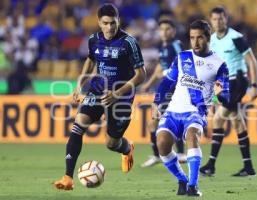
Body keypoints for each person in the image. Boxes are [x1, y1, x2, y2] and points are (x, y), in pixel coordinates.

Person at [54, 3, 146, 190]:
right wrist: (79, 85)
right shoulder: (93, 40)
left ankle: (127, 149)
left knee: (111, 143)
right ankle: (67, 178)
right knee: (78, 125)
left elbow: (142, 74)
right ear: (99, 22)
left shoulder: (128, 42)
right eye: (106, 23)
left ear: (118, 21)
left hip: (121, 96)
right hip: (97, 89)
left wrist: (117, 94)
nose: (110, 27)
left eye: (113, 23)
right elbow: (90, 60)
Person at [154, 19, 229, 196]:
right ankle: (182, 180)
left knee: (192, 137)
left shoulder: (219, 64)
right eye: (192, 37)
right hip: (173, 111)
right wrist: (157, 103)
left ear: (208, 37)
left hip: (196, 112)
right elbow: (167, 83)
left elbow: (226, 96)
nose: (195, 42)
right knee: (162, 144)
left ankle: (193, 186)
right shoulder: (182, 57)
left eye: (200, 37)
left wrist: (221, 93)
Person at [200, 6, 257, 177]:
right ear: (211, 21)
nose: (218, 22)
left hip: (237, 81)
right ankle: (248, 167)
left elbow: (252, 61)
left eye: (221, 19)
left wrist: (254, 85)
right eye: (215, 19)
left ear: (226, 19)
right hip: (223, 84)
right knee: (237, 121)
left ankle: (211, 165)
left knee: (218, 120)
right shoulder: (212, 40)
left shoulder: (236, 38)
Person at [140, 18, 186, 167]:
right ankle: (160, 154)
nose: (164, 32)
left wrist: (168, 73)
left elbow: (184, 64)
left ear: (173, 30)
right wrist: (148, 83)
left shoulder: (176, 45)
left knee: (159, 119)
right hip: (164, 86)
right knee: (152, 122)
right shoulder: (162, 46)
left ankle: (176, 153)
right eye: (162, 29)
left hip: (173, 86)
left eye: (168, 29)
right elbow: (161, 66)